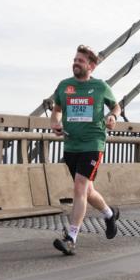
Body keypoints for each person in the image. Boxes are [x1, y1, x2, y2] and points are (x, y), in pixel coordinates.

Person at [50, 44, 122, 255]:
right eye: (74, 60)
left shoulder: (100, 87)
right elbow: (56, 110)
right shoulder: (64, 86)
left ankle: (71, 238)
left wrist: (112, 116)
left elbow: (116, 106)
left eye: (80, 61)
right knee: (88, 191)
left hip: (93, 144)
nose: (75, 63)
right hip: (71, 144)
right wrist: (55, 123)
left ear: (91, 66)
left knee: (80, 187)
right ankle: (110, 215)